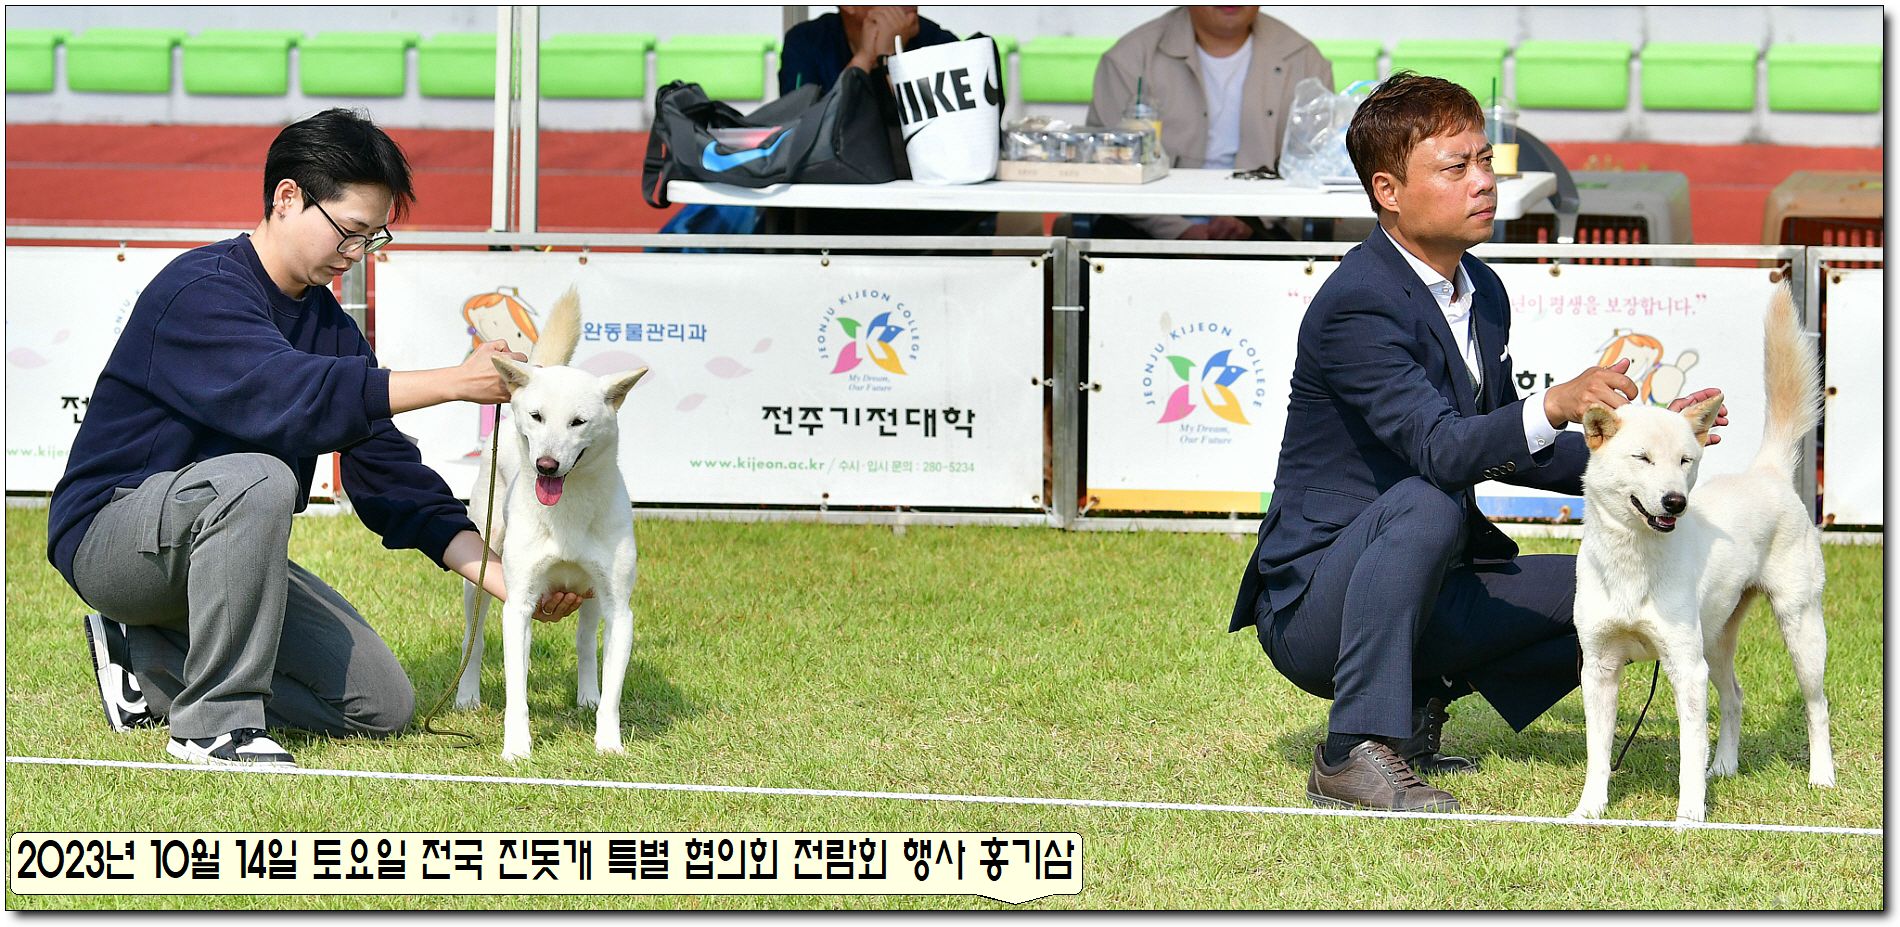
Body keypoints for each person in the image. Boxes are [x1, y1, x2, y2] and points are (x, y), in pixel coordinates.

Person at [1225, 73, 1727, 812]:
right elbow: (1442, 450)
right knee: (1427, 502)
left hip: (1429, 577)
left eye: (1485, 160)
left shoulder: (1483, 290)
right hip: (1315, 605)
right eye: (1456, 167)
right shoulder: (1357, 304)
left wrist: (1646, 447)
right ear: (1389, 191)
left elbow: (1502, 444)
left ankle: (1413, 708)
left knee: (1602, 594)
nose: (1484, 181)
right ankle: (1351, 750)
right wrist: (1553, 402)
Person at [48, 108, 587, 769]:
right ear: (287, 197)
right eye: (349, 231)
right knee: (258, 474)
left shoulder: (330, 327)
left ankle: (145, 662)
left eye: (371, 237)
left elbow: (388, 476)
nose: (355, 253)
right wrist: (454, 381)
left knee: (381, 704)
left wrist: (510, 582)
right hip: (112, 537)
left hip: (220, 552)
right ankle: (213, 728)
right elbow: (288, 395)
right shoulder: (198, 290)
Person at [1085, 6, 1333, 241]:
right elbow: (1108, 166)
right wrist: (1179, 231)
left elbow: (1317, 165)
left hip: (1261, 224)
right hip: (1147, 224)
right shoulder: (1129, 58)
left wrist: (1252, 217)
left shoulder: (1304, 58)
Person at [777, 5, 960, 97]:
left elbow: (945, 136)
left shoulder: (941, 45)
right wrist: (864, 59)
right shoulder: (806, 42)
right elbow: (797, 132)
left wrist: (891, 60)